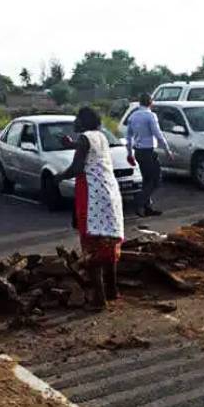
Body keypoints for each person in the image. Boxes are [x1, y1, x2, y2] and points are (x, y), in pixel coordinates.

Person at [55, 107, 126, 311]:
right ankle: (112, 291)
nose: (75, 122)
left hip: (92, 195)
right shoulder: (100, 136)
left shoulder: (86, 137)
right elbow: (85, 147)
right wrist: (71, 144)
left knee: (92, 247)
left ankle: (99, 299)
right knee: (108, 244)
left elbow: (77, 168)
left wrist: (58, 177)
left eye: (77, 118)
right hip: (109, 193)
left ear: (84, 121)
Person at [125, 93, 174, 217]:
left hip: (138, 151)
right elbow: (158, 134)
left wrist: (129, 153)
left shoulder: (133, 116)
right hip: (148, 151)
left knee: (147, 180)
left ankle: (147, 208)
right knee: (155, 180)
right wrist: (167, 150)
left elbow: (128, 136)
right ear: (150, 102)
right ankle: (139, 202)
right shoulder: (150, 116)